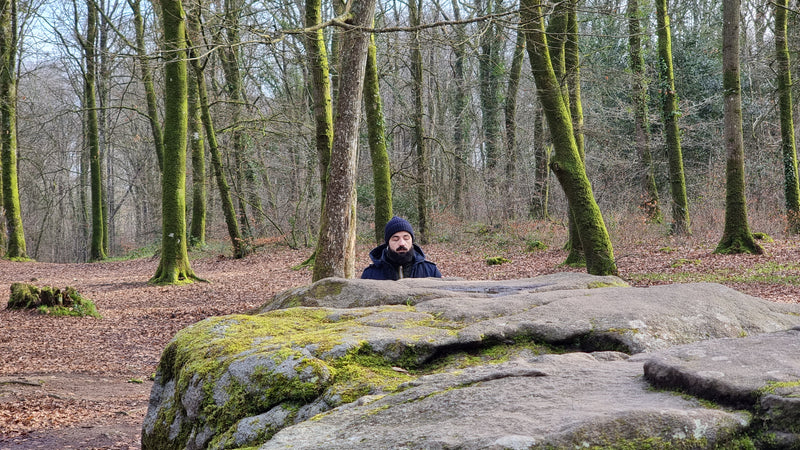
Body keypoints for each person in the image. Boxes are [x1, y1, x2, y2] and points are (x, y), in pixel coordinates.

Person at [361, 216, 442, 280]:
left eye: (406, 238)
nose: (402, 243)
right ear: (387, 243)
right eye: (395, 239)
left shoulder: (431, 271)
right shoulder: (370, 274)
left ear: (412, 240)